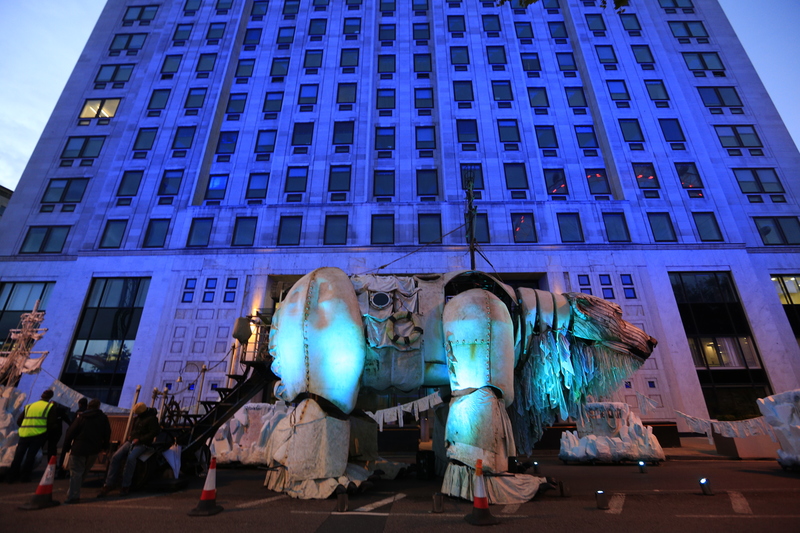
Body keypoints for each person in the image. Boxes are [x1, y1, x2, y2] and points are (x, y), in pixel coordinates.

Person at [98, 402, 160, 496]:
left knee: (128, 458)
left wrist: (139, 439)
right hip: (136, 442)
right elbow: (153, 432)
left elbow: (154, 432)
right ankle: (116, 484)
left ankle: (117, 484)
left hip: (142, 443)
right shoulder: (148, 418)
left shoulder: (147, 419)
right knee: (117, 457)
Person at [62, 399, 110, 504]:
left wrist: (66, 447)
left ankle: (73, 496)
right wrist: (104, 447)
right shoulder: (103, 418)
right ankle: (73, 492)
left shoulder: (81, 418)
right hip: (93, 449)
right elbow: (107, 434)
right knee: (83, 472)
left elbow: (70, 432)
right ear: (98, 407)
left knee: (76, 473)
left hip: (79, 448)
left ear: (88, 406)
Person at [6, 389, 56, 483]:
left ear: (41, 395)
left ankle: (11, 477)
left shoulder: (29, 406)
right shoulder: (50, 406)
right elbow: (51, 422)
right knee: (31, 456)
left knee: (18, 456)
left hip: (24, 433)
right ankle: (25, 477)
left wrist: (26, 427)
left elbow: (19, 421)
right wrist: (46, 430)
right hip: (38, 434)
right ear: (50, 397)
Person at [58, 397, 88, 479]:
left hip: (73, 436)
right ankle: (72, 472)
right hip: (81, 438)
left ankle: (62, 471)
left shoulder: (79, 413)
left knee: (66, 453)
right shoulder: (88, 414)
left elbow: (73, 425)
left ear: (80, 404)